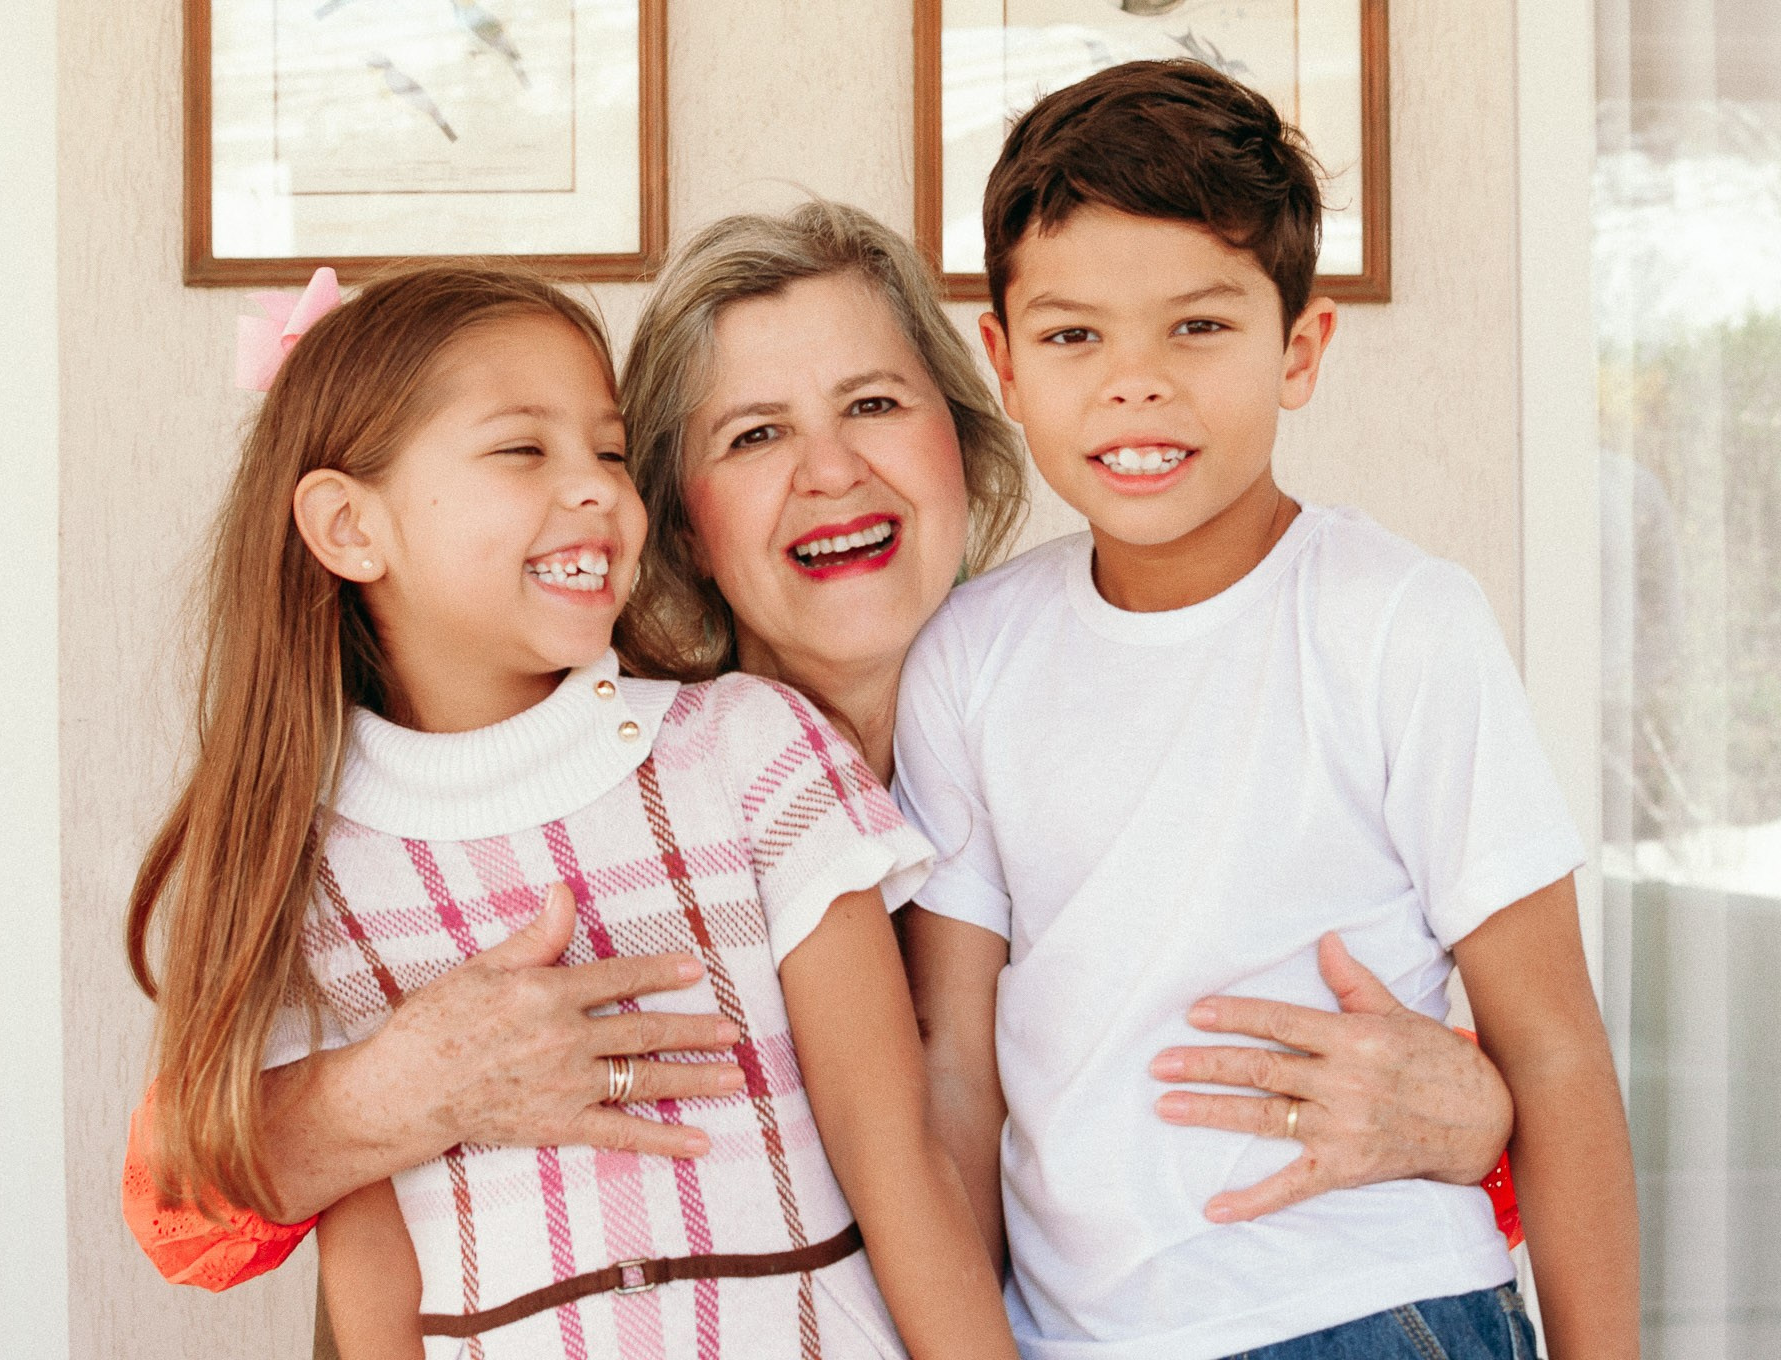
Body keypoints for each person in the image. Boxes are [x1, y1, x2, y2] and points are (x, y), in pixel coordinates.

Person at [120, 206, 1521, 1304]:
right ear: (667, 513)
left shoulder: (1145, 725)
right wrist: (393, 1091)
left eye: (871, 405)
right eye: (753, 434)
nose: (831, 471)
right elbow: (178, 1215)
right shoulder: (616, 807)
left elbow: (1300, 1061)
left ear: (972, 444)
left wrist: (1486, 1124)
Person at [126, 260, 1019, 1359]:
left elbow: (899, 1166)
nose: (597, 485)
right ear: (349, 528)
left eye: (607, 449)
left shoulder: (746, 747)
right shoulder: (301, 872)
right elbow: (365, 1273)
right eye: (521, 448)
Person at [894, 60, 1639, 1360]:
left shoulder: (1400, 621)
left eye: (1198, 327)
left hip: (1369, 1308)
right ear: (1004, 364)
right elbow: (954, 1069)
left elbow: (1558, 1045)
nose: (1136, 382)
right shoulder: (970, 655)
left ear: (1300, 348)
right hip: (1074, 1335)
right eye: (1077, 335)